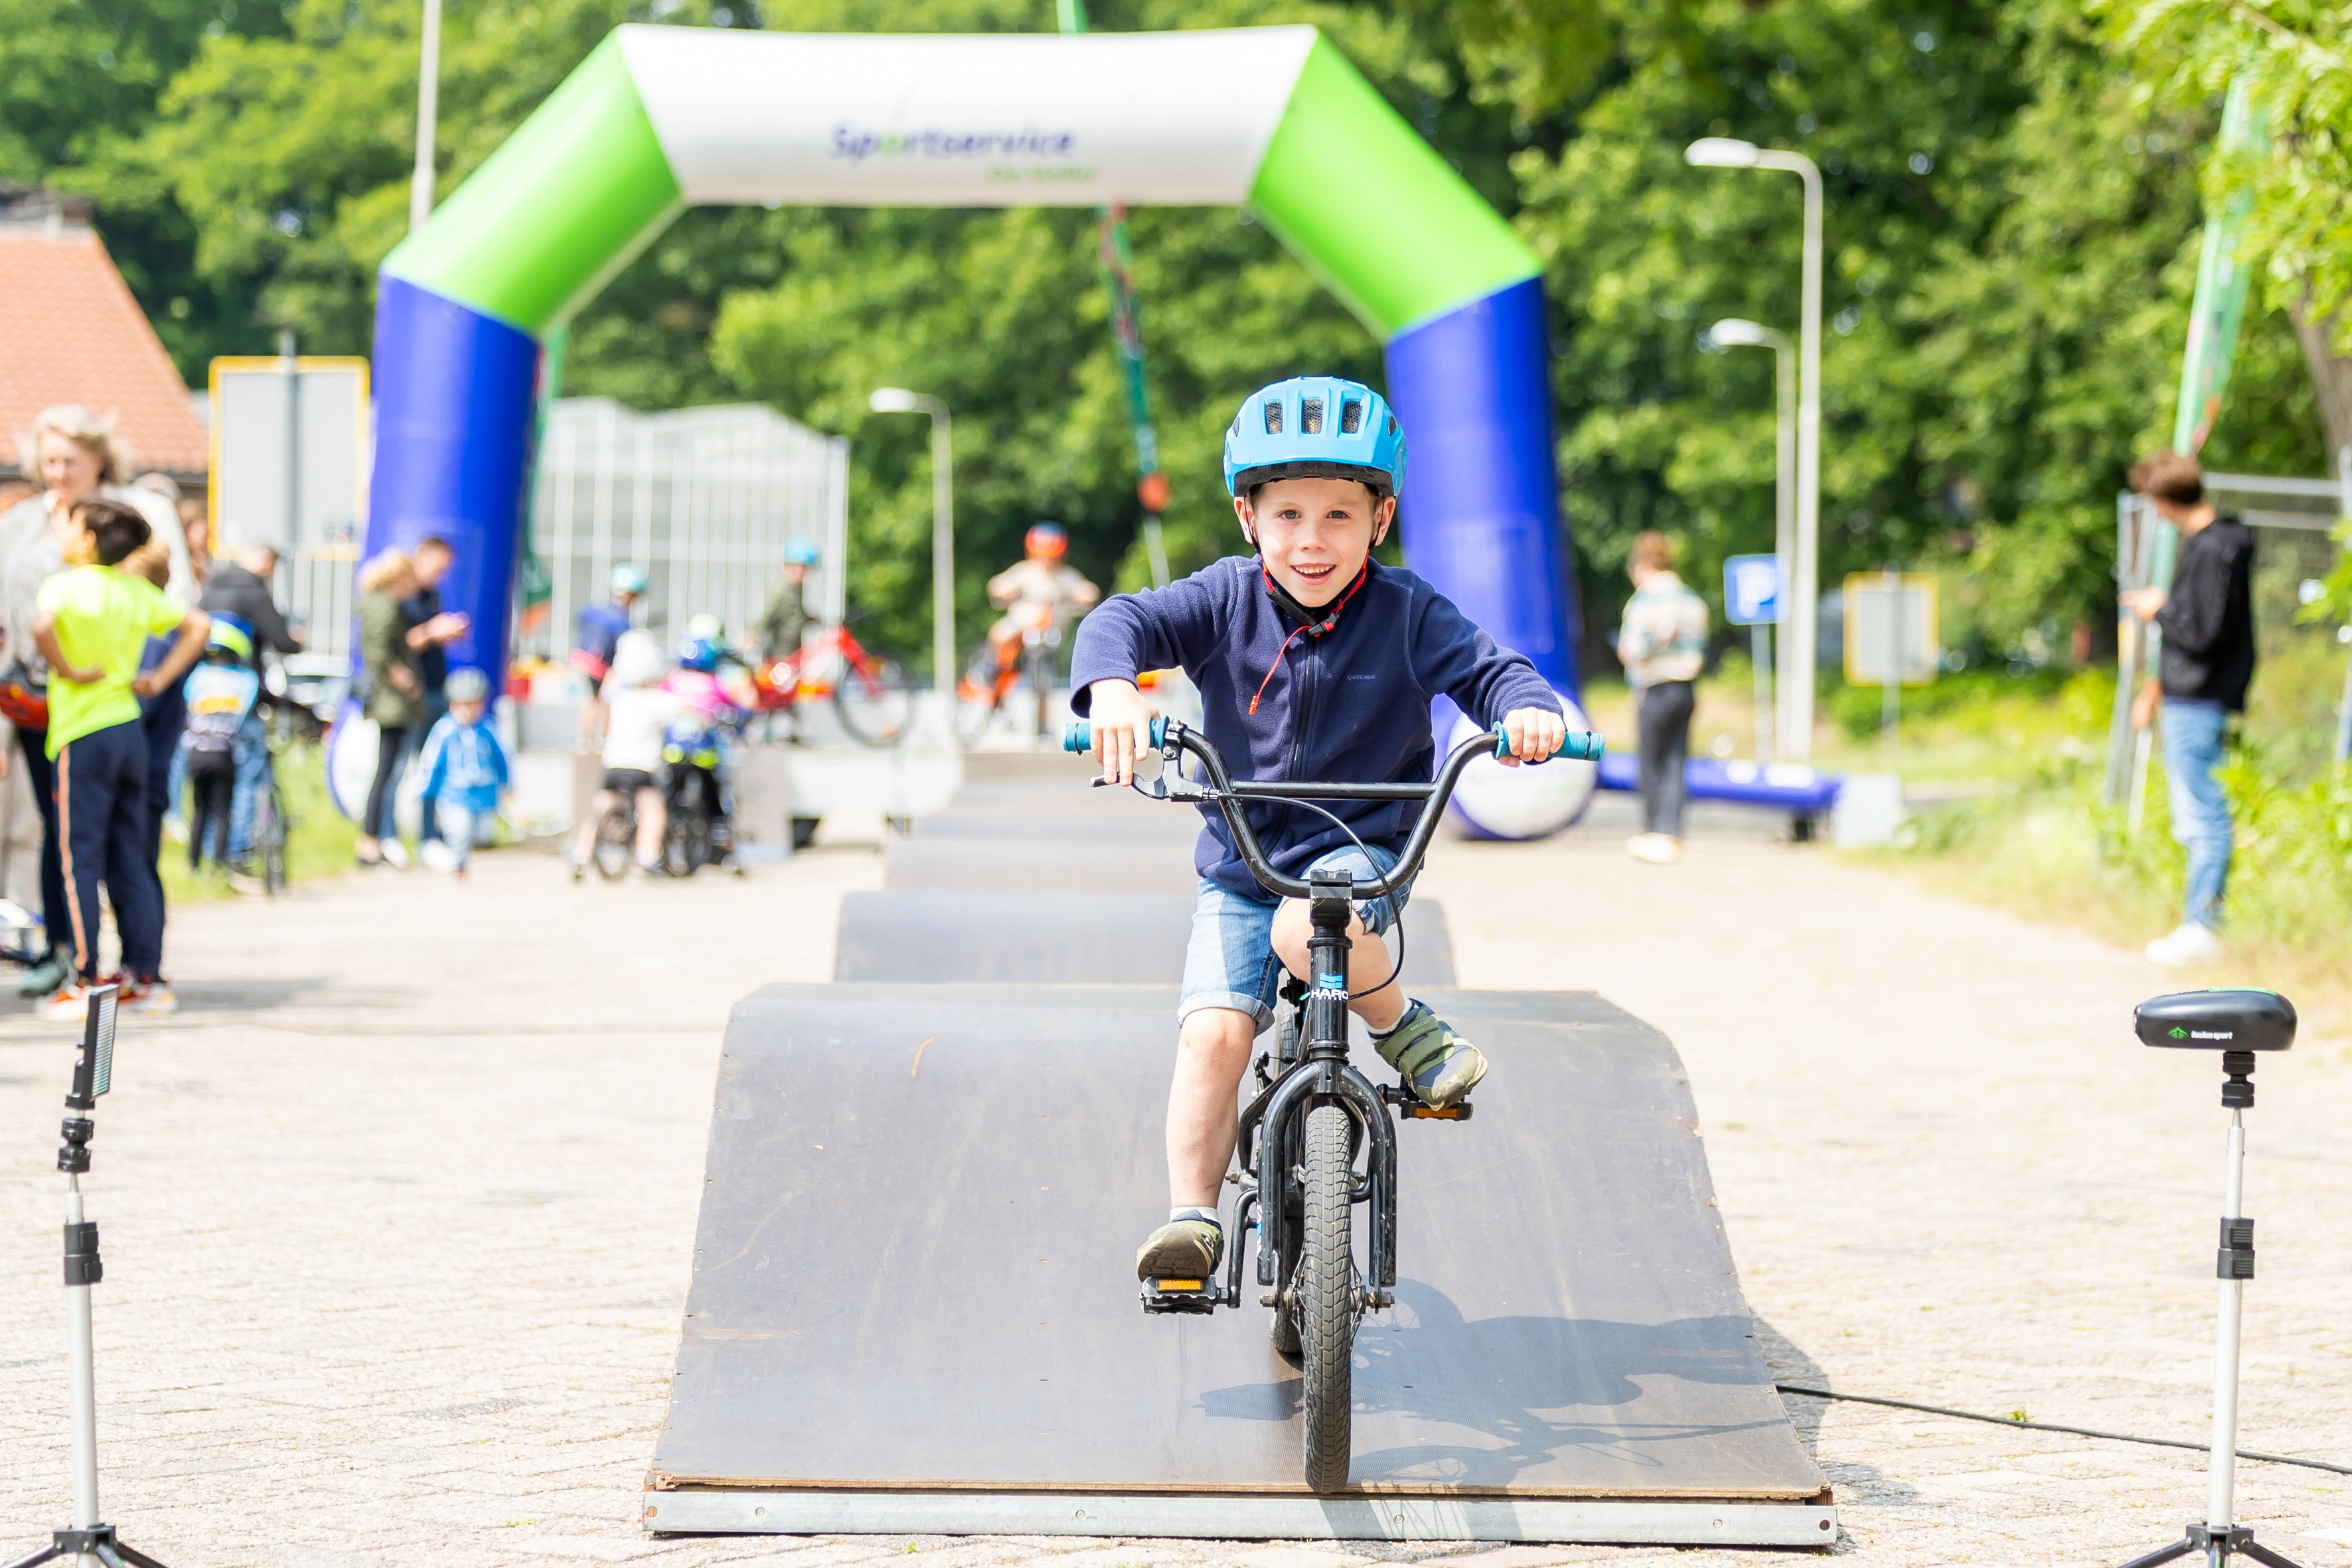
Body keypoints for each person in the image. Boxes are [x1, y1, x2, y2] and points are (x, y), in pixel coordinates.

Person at [1073, 375, 1567, 1285]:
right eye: (1288, 513)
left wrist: (1529, 713)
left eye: (1339, 515)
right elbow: (1123, 619)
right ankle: (1191, 1219)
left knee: (1309, 923)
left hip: (1360, 851)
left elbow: (1494, 672)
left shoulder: (1409, 612)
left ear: (1378, 521)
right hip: (1240, 863)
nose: (1311, 540)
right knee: (1211, 1035)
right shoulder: (1223, 601)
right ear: (1245, 516)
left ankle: (1401, 1027)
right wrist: (1110, 686)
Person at [0, 406, 193, 996]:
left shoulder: (132, 519)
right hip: (51, 706)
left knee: (96, 846)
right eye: (48, 461)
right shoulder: (22, 523)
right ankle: (90, 959)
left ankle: (107, 970)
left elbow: (40, 622)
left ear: (99, 460)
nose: (57, 472)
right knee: (74, 837)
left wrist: (99, 671)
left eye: (69, 461)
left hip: (103, 709)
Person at [31, 499, 209, 1020]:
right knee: (130, 855)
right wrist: (158, 677)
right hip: (128, 730)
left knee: (77, 858)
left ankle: (85, 978)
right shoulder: (134, 591)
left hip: (81, 733)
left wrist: (66, 667)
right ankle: (147, 978)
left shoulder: (64, 585)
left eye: (67, 523)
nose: (60, 531)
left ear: (87, 539)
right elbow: (198, 626)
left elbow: (43, 626)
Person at [2122, 449, 2256, 968]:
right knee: (2193, 815)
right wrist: (2154, 688)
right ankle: (2197, 923)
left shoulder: (2213, 548)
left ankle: (2202, 925)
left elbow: (2200, 634)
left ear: (2160, 502)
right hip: (2187, 696)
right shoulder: (2210, 546)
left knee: (2202, 817)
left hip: (2199, 701)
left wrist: (2160, 609)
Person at [196, 542, 304, 877]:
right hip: (244, 693)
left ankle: (208, 854)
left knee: (210, 786)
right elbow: (284, 642)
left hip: (204, 695)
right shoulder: (254, 593)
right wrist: (297, 638)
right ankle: (237, 851)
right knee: (251, 771)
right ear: (267, 563)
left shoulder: (209, 590)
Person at [1614, 531, 1709, 866]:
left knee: (1650, 762)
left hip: (1655, 686)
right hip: (1686, 686)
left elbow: (1636, 647)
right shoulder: (1692, 599)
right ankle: (1672, 835)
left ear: (1641, 566)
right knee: (1675, 761)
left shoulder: (1646, 599)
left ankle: (1654, 834)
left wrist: (1628, 652)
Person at [571, 629, 677, 879]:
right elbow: (683, 715)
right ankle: (647, 855)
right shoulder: (658, 700)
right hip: (643, 767)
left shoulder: (617, 698)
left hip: (614, 763)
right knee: (652, 809)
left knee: (602, 805)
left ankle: (581, 853)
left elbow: (603, 721)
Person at [396, 536, 470, 862]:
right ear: (420, 556)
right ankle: (388, 838)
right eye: (437, 567)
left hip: (436, 687)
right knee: (399, 767)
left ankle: (429, 837)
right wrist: (431, 633)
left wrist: (447, 634)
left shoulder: (432, 595)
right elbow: (394, 646)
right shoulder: (401, 595)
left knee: (434, 767)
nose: (439, 575)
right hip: (410, 693)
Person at [356, 549, 425, 868]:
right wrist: (404, 678)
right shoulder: (383, 605)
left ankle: (374, 841)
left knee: (386, 773)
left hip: (391, 699)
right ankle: (370, 843)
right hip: (391, 702)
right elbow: (377, 650)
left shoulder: (380, 602)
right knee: (385, 773)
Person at [181, 618, 262, 875]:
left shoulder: (197, 676)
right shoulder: (245, 679)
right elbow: (248, 709)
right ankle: (219, 864)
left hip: (196, 754)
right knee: (222, 811)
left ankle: (193, 865)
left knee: (199, 810)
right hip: (224, 755)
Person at [416, 668, 510, 878]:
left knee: (480, 833)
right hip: (454, 794)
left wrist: (507, 782)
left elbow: (502, 758)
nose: (467, 710)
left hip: (483, 794)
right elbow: (431, 761)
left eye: (472, 704)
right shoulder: (444, 730)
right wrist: (424, 788)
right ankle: (457, 864)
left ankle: (460, 858)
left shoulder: (488, 729)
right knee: (459, 830)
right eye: (461, 705)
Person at [984, 522, 1099, 670]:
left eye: (1052, 557)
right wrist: (1003, 590)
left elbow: (1086, 590)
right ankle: (988, 667)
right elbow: (999, 584)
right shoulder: (1025, 571)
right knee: (1000, 634)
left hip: (1054, 629)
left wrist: (1087, 594)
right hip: (1022, 624)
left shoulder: (1066, 575)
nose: (1047, 561)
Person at [574, 563, 646, 745]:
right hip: (604, 667)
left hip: (584, 662)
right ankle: (602, 740)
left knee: (591, 700)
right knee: (606, 703)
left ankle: (585, 740)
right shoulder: (619, 618)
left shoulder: (592, 610)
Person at [757, 538, 821, 663]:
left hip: (793, 654)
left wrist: (813, 620)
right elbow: (765, 616)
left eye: (806, 569)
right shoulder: (780, 590)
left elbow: (795, 614)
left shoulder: (796, 589)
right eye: (801, 567)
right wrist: (753, 634)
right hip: (779, 655)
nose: (803, 573)